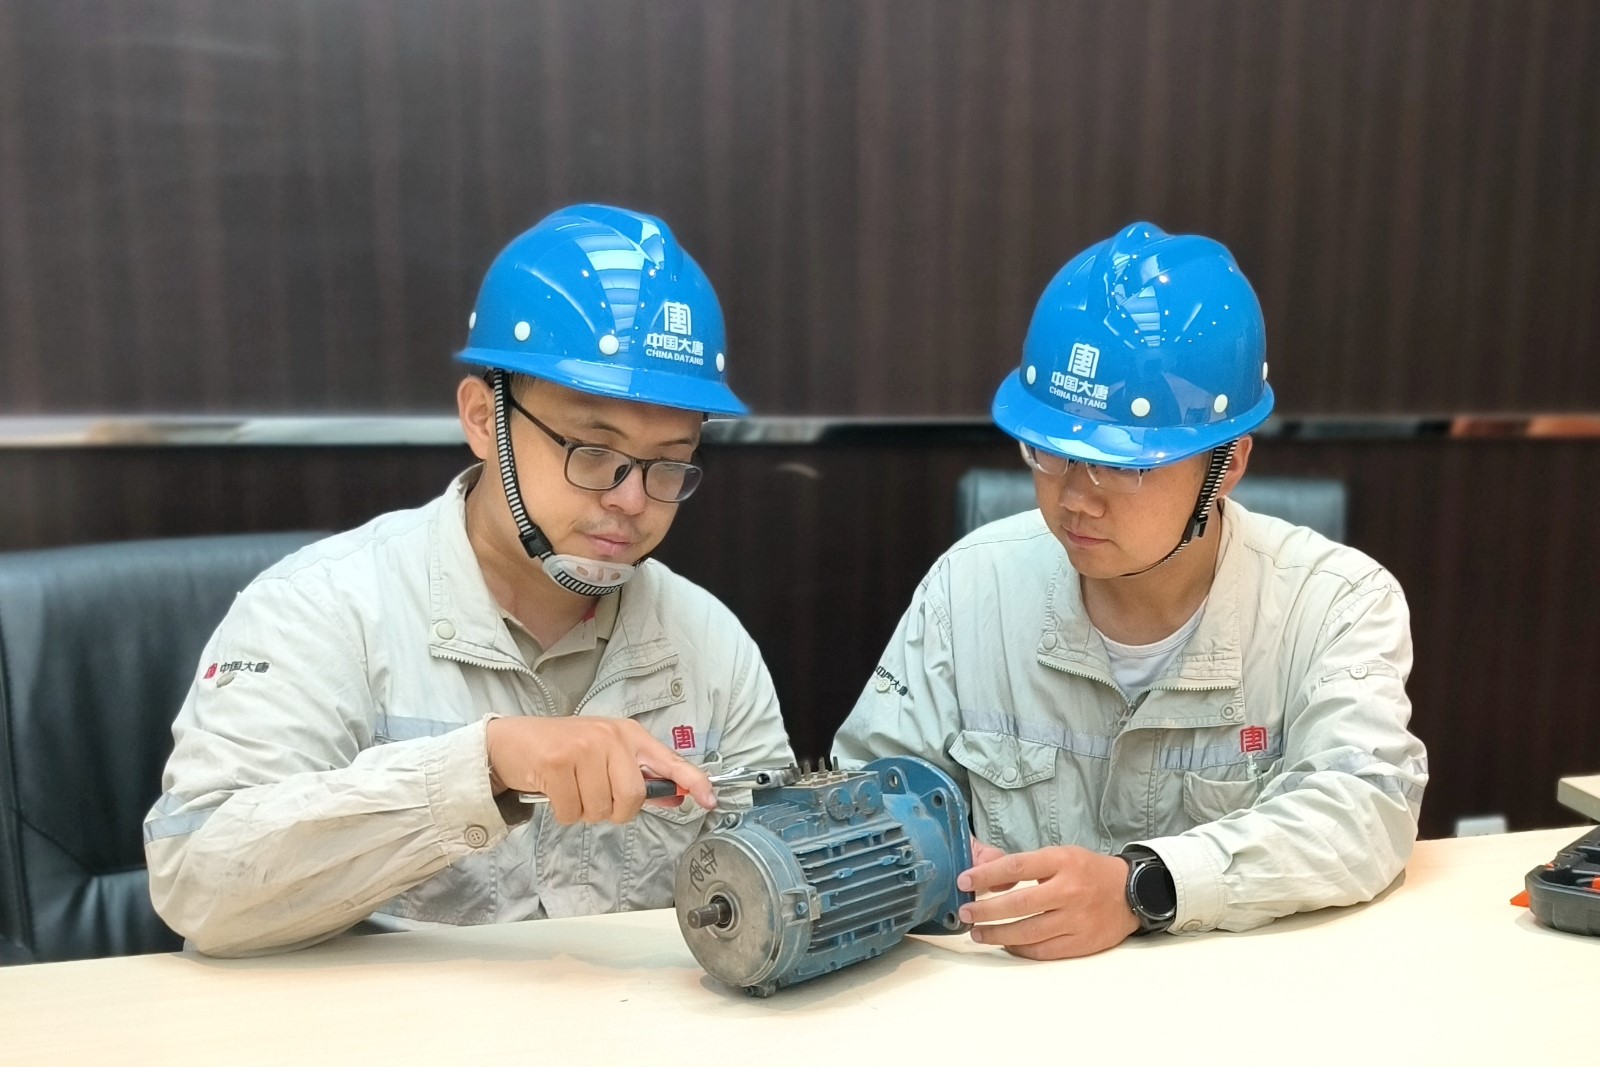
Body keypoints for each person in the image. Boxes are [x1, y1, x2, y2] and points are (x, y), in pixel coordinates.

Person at [145, 203, 793, 956]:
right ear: (484, 418)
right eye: (593, 451)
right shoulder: (322, 606)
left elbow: (781, 874)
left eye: (670, 464)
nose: (631, 500)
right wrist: (486, 764)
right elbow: (199, 881)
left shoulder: (709, 644)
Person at [833, 222, 1428, 959]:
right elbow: (866, 793)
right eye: (1050, 452)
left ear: (1229, 463)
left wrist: (1142, 886)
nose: (1075, 498)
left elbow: (1367, 808)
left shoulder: (1336, 602)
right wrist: (927, 855)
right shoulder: (969, 586)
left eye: (1127, 466)